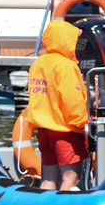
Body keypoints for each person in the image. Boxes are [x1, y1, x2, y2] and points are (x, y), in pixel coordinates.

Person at [27, 20, 89, 191]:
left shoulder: (38, 63)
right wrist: (81, 121)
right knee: (71, 180)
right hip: (65, 132)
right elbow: (72, 99)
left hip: (44, 131)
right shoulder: (66, 65)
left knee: (49, 179)